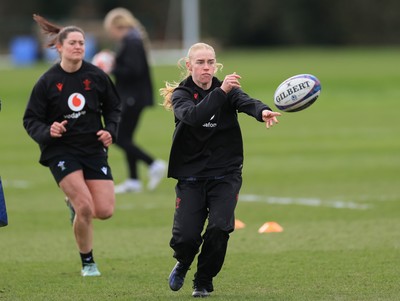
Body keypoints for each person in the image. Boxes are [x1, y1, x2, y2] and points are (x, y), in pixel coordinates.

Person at [160, 43, 281, 298]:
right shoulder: (181, 95)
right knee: (185, 240)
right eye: (201, 62)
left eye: (211, 62)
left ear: (216, 64)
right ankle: (183, 261)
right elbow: (193, 116)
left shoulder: (227, 90)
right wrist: (222, 91)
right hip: (191, 176)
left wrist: (263, 112)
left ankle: (203, 281)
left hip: (224, 174)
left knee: (220, 228)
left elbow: (246, 101)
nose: (206, 67)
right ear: (189, 65)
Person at [23, 14, 122, 277]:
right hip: (61, 149)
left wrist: (110, 131)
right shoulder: (46, 81)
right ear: (60, 47)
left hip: (92, 148)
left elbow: (114, 108)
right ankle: (88, 262)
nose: (78, 46)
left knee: (105, 210)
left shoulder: (96, 76)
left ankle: (73, 205)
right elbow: (30, 119)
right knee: (86, 208)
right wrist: (48, 130)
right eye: (73, 43)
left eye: (82, 42)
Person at [101, 7, 166, 193]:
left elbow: (133, 70)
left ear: (116, 26)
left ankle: (154, 164)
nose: (110, 34)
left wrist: (111, 68)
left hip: (132, 97)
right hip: (133, 96)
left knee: (119, 137)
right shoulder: (131, 40)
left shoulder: (132, 42)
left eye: (110, 30)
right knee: (126, 137)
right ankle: (134, 181)